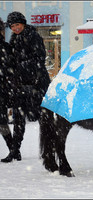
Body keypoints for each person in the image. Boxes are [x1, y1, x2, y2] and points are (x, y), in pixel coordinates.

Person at [1, 11, 51, 162]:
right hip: (21, 85)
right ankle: (15, 150)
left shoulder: (33, 36)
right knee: (18, 118)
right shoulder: (14, 39)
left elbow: (39, 59)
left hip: (37, 84)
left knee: (45, 119)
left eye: (17, 24)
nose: (15, 28)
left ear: (23, 23)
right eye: (12, 26)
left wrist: (19, 67)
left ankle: (48, 149)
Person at [0, 17, 16, 159]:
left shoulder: (5, 47)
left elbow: (9, 69)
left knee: (1, 121)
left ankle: (13, 149)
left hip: (2, 90)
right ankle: (13, 149)